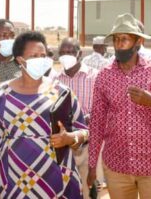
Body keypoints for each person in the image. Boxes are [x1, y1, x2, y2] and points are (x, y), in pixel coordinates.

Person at [0, 31, 88, 199]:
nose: (41, 59)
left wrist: (70, 138)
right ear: (20, 60)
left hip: (57, 180)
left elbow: (84, 131)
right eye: (34, 56)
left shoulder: (62, 92)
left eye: (43, 55)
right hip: (13, 181)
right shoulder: (0, 94)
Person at [87, 13, 151, 199]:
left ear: (138, 41)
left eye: (124, 39)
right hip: (117, 166)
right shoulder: (104, 76)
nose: (119, 44)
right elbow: (97, 122)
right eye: (116, 39)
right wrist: (92, 166)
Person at [55, 37, 98, 199]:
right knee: (66, 188)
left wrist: (87, 118)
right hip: (63, 145)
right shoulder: (54, 81)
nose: (66, 55)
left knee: (90, 189)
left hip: (89, 144)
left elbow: (104, 109)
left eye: (71, 52)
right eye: (63, 52)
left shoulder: (95, 77)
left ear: (79, 54)